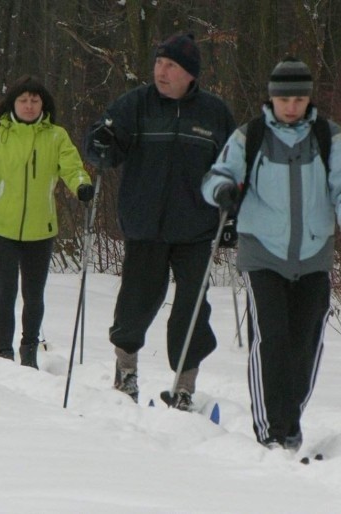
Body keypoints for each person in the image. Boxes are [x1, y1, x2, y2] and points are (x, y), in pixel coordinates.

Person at [201, 57, 341, 450]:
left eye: (299, 98)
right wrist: (224, 192)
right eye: (284, 99)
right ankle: (272, 431)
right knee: (271, 340)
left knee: (305, 344)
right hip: (263, 252)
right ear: (271, 99)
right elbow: (217, 176)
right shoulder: (251, 135)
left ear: (308, 99)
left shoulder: (328, 136)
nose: (291, 106)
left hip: (313, 254)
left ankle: (290, 421)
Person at [84, 32, 235, 409]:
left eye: (171, 66)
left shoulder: (214, 114)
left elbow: (235, 170)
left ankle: (184, 387)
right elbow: (102, 146)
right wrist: (99, 144)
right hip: (144, 225)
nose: (161, 71)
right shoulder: (135, 104)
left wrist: (233, 216)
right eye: (158, 63)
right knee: (136, 304)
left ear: (190, 75)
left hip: (197, 230)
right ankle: (126, 372)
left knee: (192, 310)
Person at [0, 75, 93, 370]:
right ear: (12, 104)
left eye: (34, 100)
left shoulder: (56, 136)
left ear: (43, 104)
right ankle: (3, 351)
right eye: (23, 100)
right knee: (5, 290)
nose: (29, 106)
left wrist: (81, 184)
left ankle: (29, 348)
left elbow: (71, 166)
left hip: (40, 229)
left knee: (34, 293)